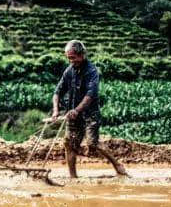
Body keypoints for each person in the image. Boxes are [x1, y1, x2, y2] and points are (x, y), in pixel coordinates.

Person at [51, 40, 128, 178]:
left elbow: (90, 96)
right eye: (68, 58)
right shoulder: (69, 71)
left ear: (82, 55)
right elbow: (57, 92)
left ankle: (117, 164)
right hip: (73, 114)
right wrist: (56, 110)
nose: (71, 61)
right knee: (69, 143)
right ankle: (73, 177)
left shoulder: (92, 71)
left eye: (73, 57)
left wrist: (77, 110)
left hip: (89, 114)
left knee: (93, 143)